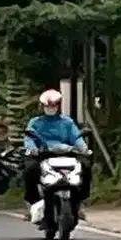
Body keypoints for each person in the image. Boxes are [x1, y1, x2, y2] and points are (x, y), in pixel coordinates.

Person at [22, 88, 91, 222]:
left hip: (67, 155)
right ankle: (33, 203)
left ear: (59, 106)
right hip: (43, 155)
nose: (51, 108)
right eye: (48, 106)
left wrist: (83, 148)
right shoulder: (35, 123)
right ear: (42, 106)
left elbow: (76, 138)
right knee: (29, 171)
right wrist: (32, 149)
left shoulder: (67, 122)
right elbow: (29, 138)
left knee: (85, 167)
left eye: (54, 105)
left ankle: (79, 203)